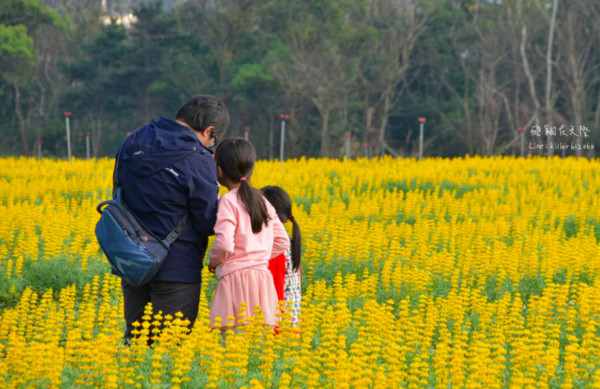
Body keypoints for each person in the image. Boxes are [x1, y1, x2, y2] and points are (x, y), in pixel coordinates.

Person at [115, 94, 230, 342]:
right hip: (177, 268)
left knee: (136, 345)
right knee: (168, 354)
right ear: (209, 130)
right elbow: (206, 221)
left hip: (131, 260)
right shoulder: (198, 158)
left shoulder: (134, 139)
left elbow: (119, 189)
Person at [208, 138, 289, 330]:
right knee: (259, 346)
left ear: (220, 171)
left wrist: (213, 261)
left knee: (233, 342)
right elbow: (282, 240)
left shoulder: (228, 201)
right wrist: (257, 258)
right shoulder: (263, 201)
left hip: (235, 281)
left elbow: (225, 243)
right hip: (262, 280)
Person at [261, 186, 302, 325]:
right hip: (290, 326)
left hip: (276, 327)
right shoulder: (289, 242)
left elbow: (275, 290)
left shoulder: (275, 247)